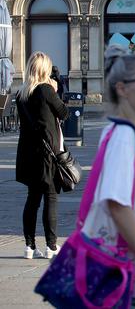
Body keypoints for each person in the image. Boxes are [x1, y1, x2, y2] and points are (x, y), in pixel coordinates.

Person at [82, 45, 135, 308]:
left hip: (127, 268)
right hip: (126, 271)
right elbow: (117, 205)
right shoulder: (124, 136)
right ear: (122, 89)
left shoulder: (118, 132)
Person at [16, 52, 68, 259]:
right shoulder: (46, 90)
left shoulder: (21, 94)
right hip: (47, 154)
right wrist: (56, 88)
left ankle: (29, 246)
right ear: (45, 70)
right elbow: (63, 113)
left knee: (32, 199)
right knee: (50, 197)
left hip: (28, 153)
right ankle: (51, 246)